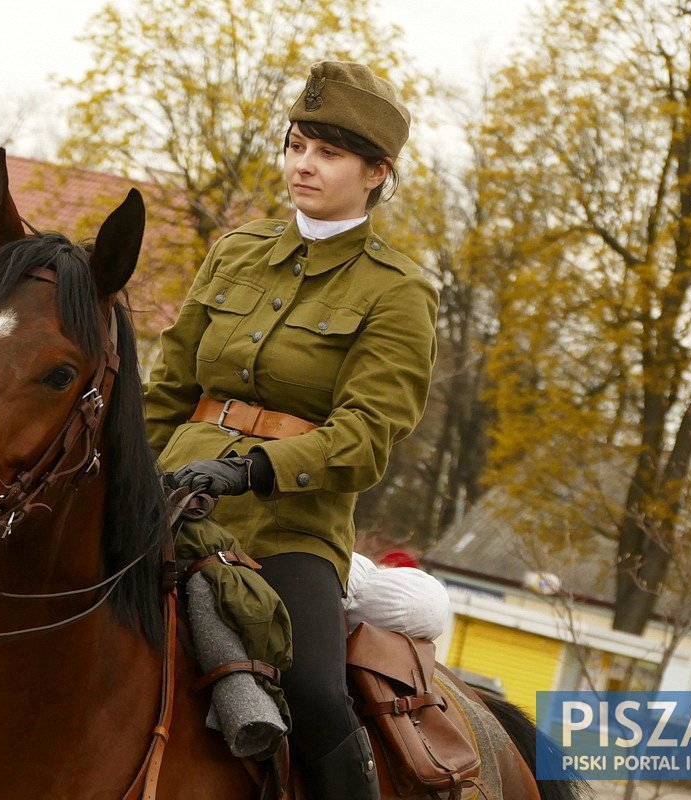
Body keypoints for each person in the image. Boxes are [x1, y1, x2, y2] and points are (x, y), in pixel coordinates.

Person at [145, 61, 439, 800]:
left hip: (287, 526)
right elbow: (168, 389)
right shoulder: (235, 251)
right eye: (297, 145)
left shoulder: (398, 292)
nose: (304, 164)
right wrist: (127, 474)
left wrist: (253, 469)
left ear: (377, 172)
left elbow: (368, 435)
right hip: (168, 496)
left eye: (329, 153)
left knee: (312, 693)